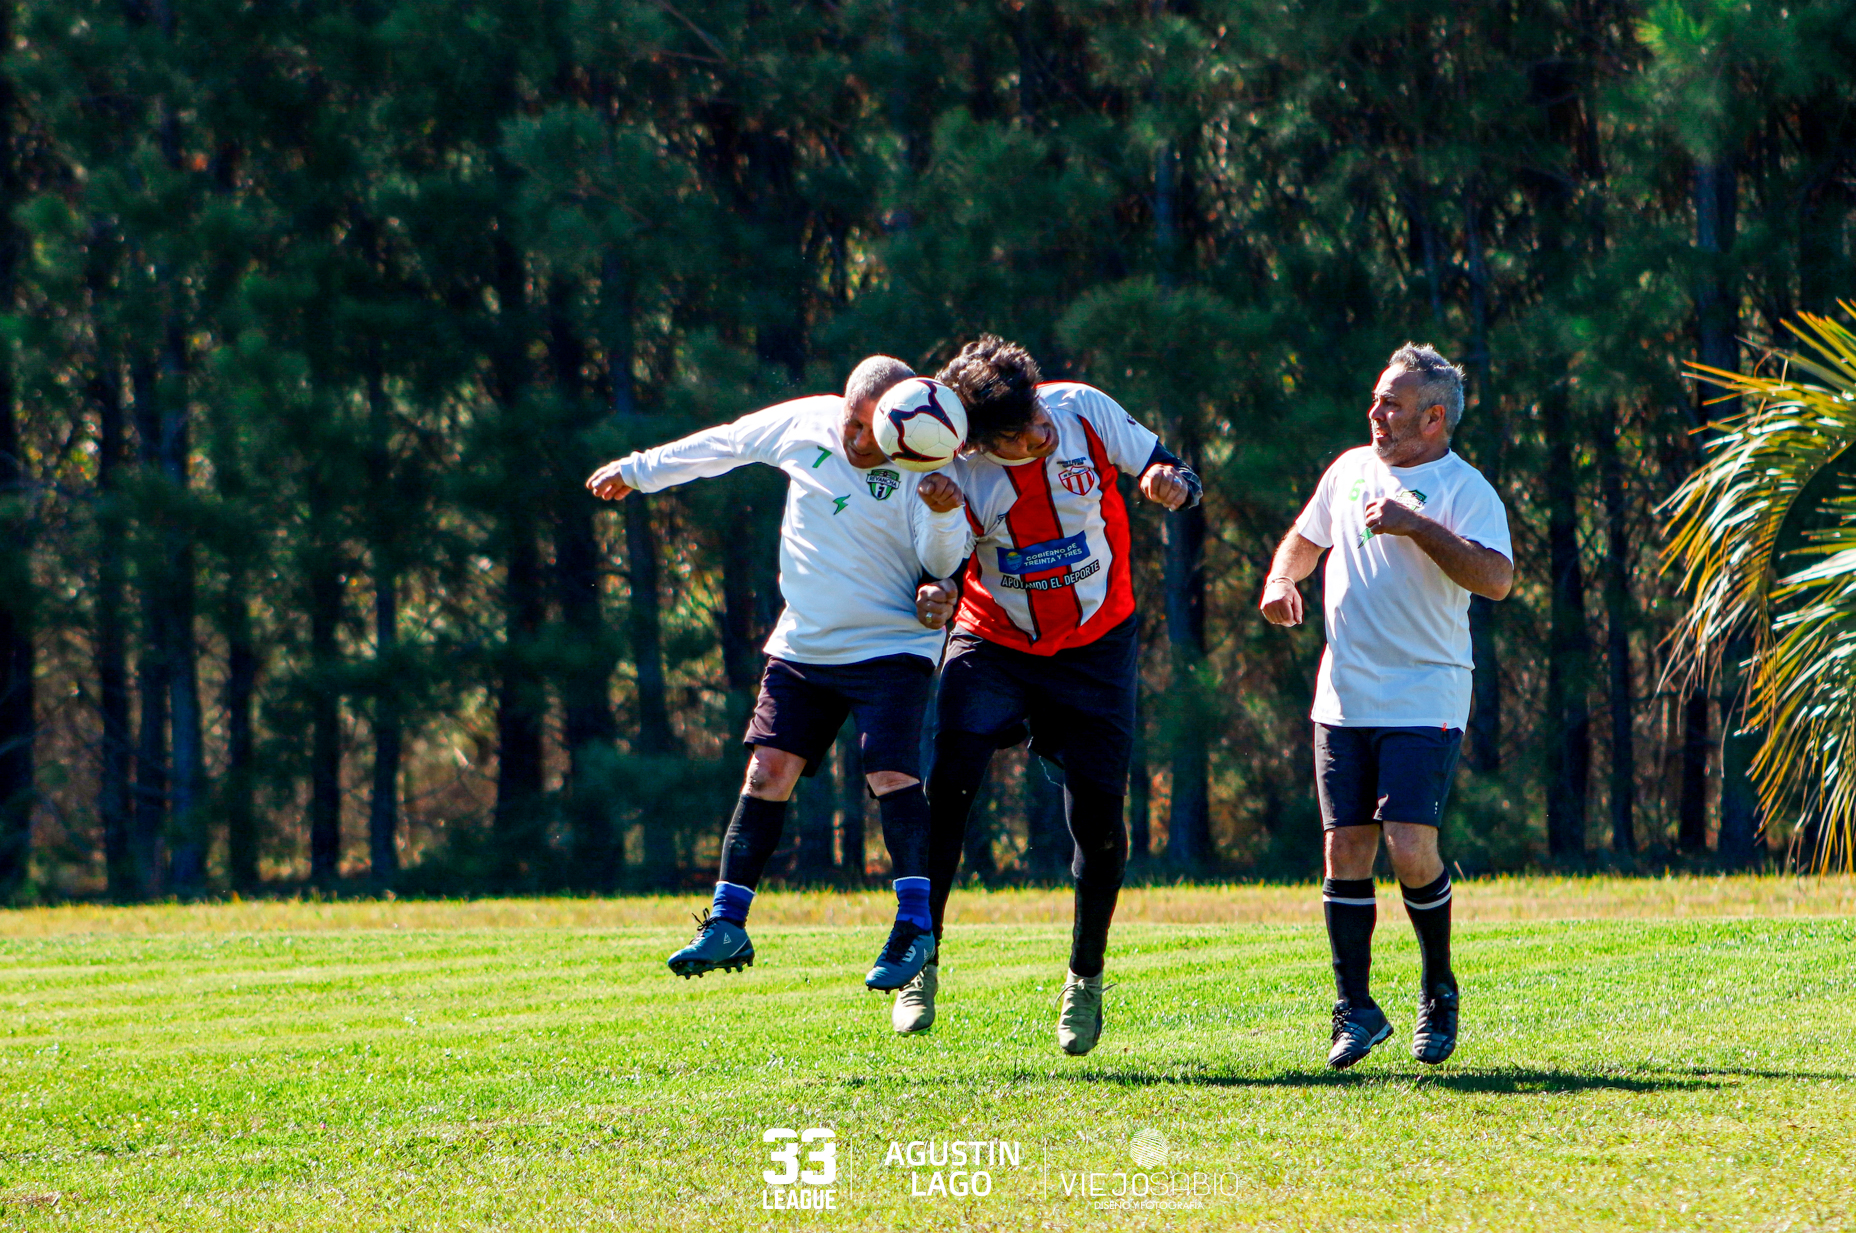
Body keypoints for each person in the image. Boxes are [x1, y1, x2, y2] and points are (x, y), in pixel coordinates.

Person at [585, 357, 970, 1000]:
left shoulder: (928, 463)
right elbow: (726, 443)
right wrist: (639, 469)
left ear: (900, 424)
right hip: (805, 644)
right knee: (766, 773)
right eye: (851, 422)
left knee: (889, 774)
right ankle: (727, 924)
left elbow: (941, 560)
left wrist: (941, 517)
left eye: (871, 429)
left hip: (892, 646)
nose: (857, 439)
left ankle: (914, 928)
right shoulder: (805, 421)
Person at [898, 335, 1200, 1052]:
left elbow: (1173, 467)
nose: (1041, 430)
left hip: (1097, 645)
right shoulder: (956, 472)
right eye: (1019, 432)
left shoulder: (1082, 409)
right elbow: (938, 568)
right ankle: (920, 957)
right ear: (978, 442)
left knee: (1098, 825)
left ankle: (1084, 978)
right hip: (995, 641)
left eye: (1036, 411)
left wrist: (1172, 483)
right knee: (949, 788)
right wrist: (934, 594)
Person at [1259, 343, 1512, 1070]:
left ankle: (1438, 993)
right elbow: (1304, 540)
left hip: (1427, 690)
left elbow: (1496, 579)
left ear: (1433, 419)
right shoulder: (1347, 469)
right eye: (1376, 399)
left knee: (1407, 843)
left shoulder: (1466, 488)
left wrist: (1417, 525)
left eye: (1392, 404)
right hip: (1343, 694)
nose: (1375, 412)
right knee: (1345, 848)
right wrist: (1281, 580)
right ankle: (1357, 1010)